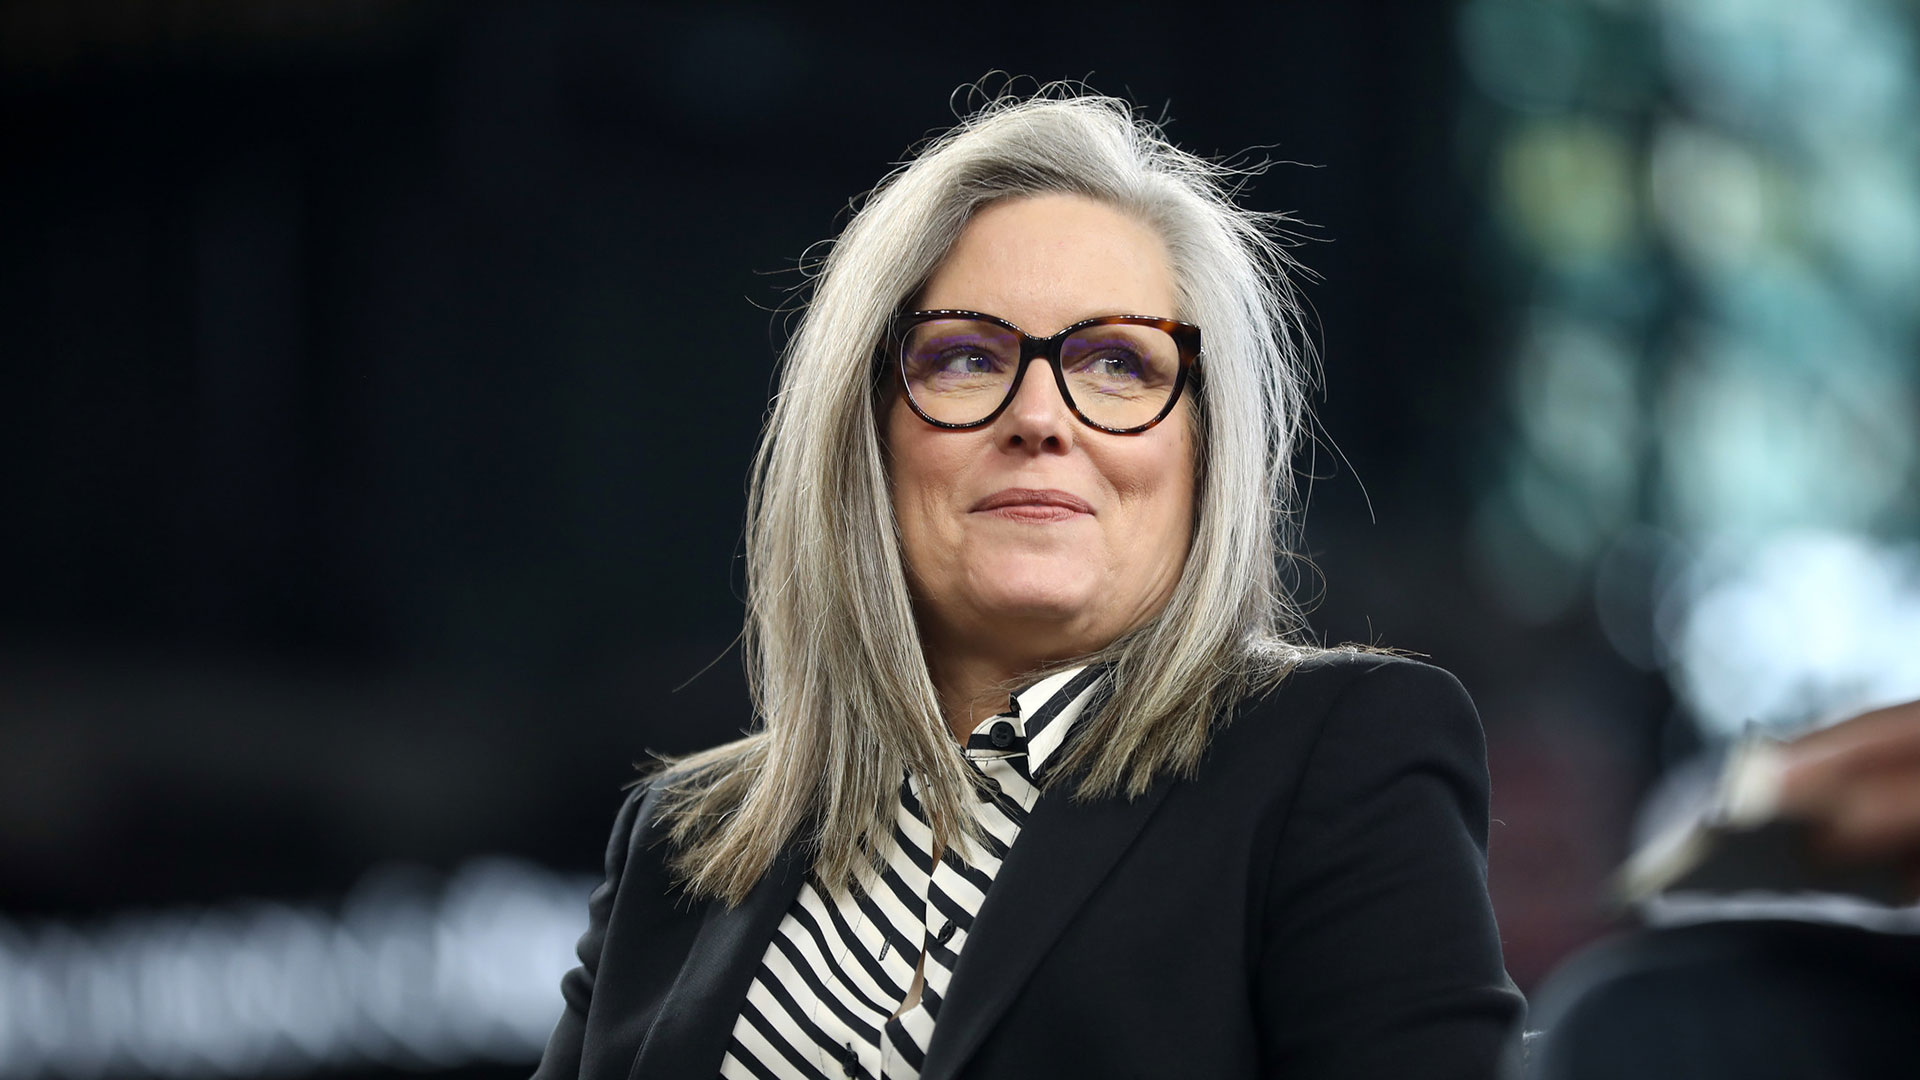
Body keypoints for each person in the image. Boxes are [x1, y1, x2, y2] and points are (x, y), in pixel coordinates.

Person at [531, 90, 1523, 1080]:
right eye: (968, 357)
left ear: (1204, 452)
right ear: (864, 433)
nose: (1043, 416)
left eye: (1117, 364)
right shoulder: (678, 843)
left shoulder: (1340, 755)